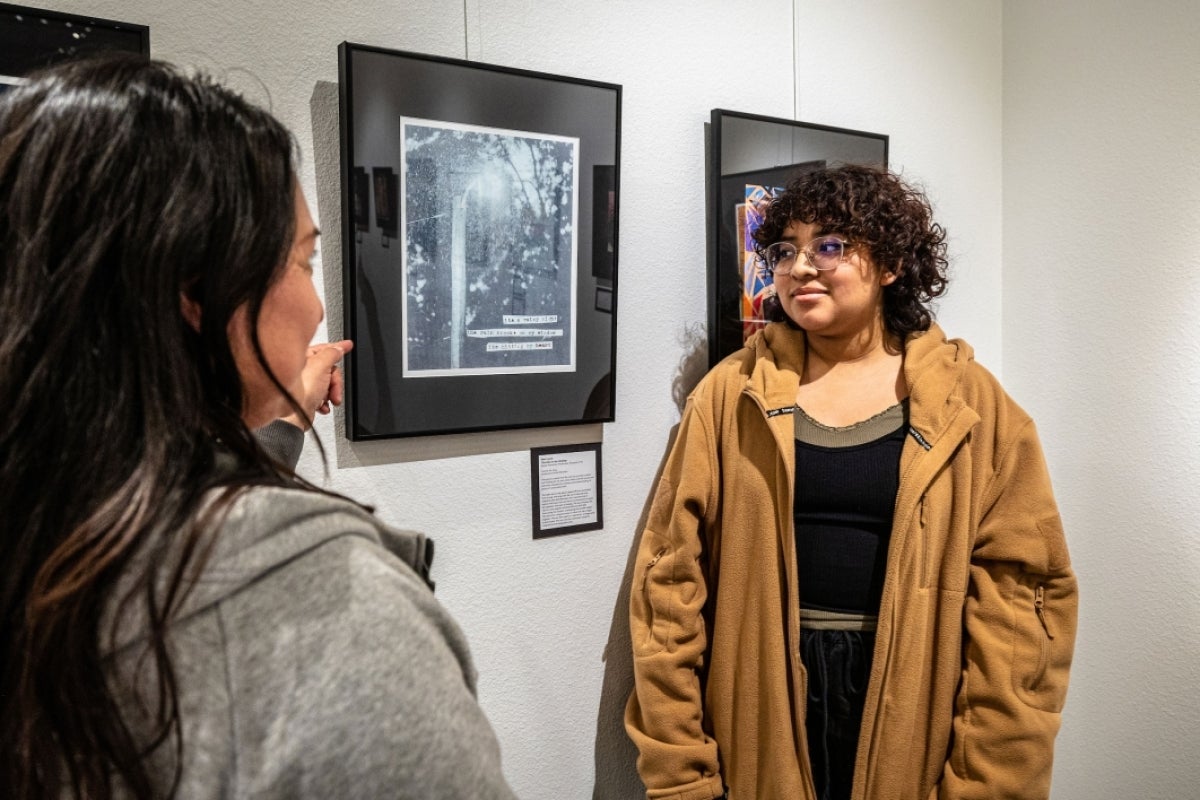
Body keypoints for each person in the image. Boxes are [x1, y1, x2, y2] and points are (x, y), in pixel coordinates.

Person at [0, 56, 518, 800]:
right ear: (198, 293)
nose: (315, 306)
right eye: (304, 261)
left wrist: (275, 417)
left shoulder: (44, 533)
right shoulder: (339, 621)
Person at [625, 164, 1077, 800]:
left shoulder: (970, 405)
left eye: (830, 245)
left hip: (914, 694)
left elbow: (1021, 604)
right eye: (785, 250)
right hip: (763, 690)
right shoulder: (731, 394)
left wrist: (992, 779)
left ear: (890, 263)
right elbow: (668, 585)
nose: (801, 266)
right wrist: (681, 775)